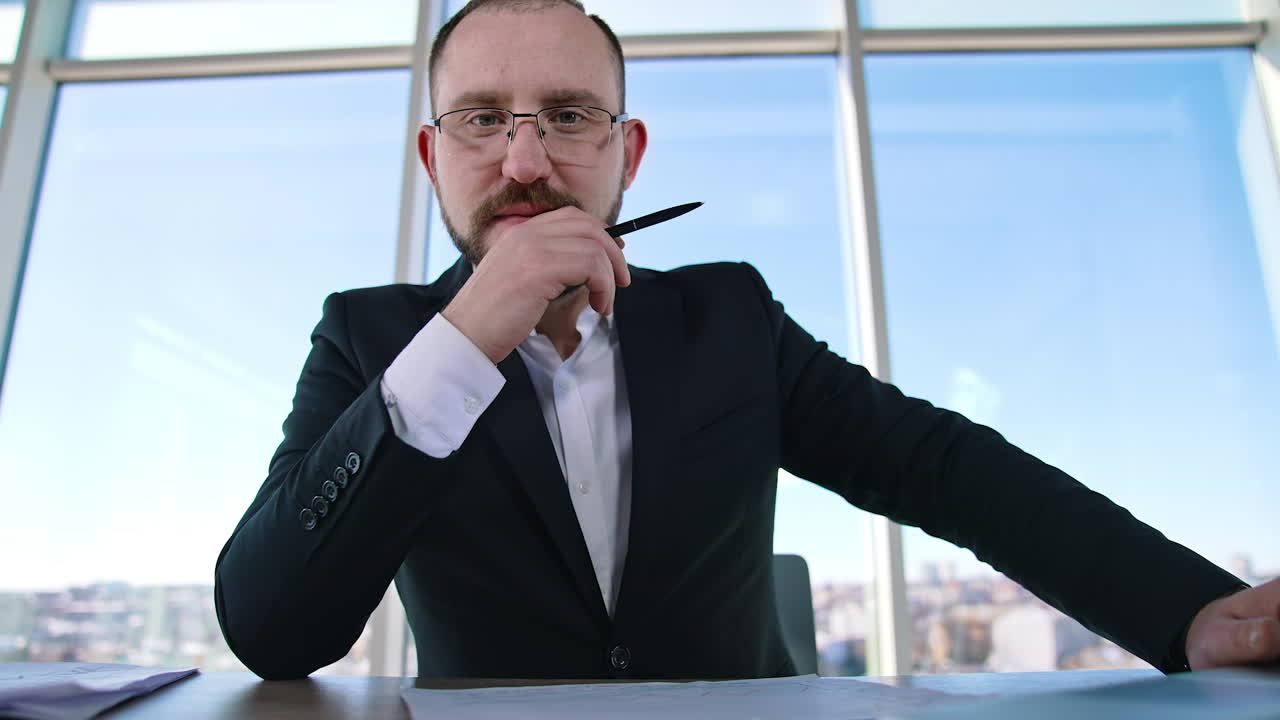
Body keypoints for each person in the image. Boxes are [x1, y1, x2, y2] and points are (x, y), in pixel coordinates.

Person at [214, 0, 1280, 680]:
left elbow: (943, 469)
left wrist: (1184, 610)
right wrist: (458, 346)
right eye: (483, 120)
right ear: (431, 157)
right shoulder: (370, 337)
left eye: (569, 116)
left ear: (628, 154)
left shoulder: (727, 317)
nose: (526, 162)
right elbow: (272, 630)